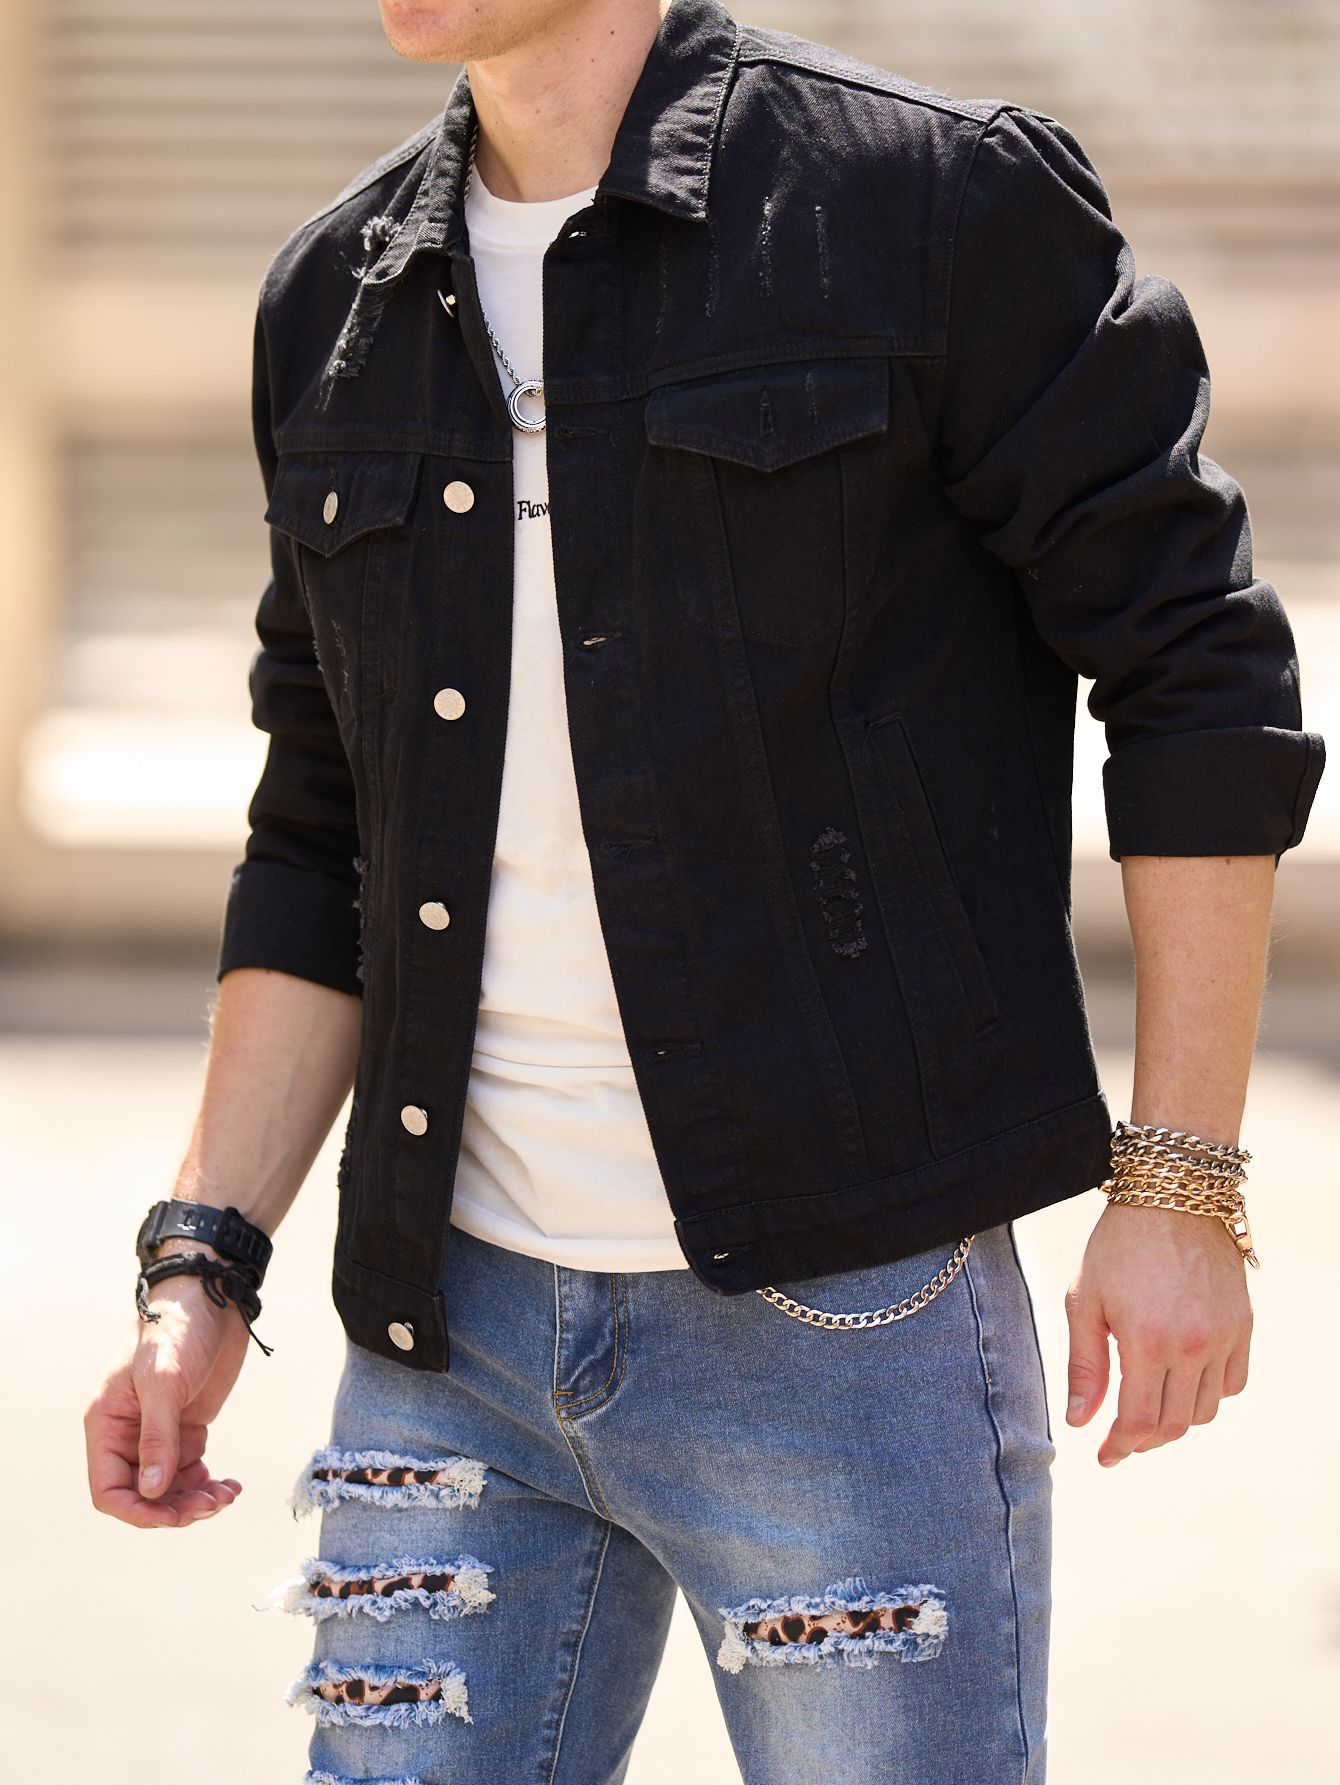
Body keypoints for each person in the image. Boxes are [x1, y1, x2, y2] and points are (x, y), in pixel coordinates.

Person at [85, 2, 1326, 1780]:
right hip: (448, 1340)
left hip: (844, 1334)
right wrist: (205, 1256)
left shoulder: (931, 207)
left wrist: (1183, 1181)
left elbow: (1198, 670)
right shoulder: (334, 302)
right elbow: (322, 823)